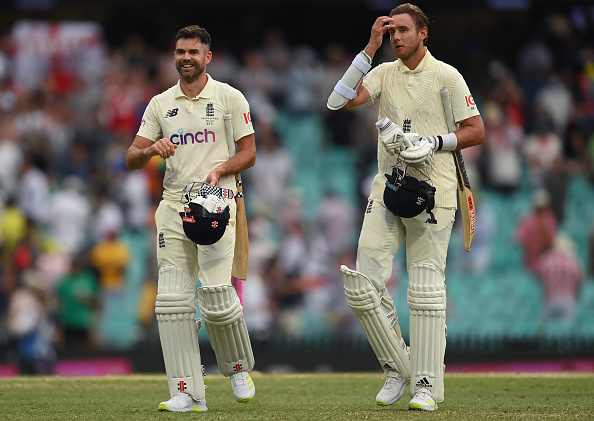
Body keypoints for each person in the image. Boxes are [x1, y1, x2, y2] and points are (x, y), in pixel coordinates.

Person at [327, 3, 484, 411]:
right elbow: (336, 101)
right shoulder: (382, 72)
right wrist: (369, 47)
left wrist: (434, 142)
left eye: (403, 30)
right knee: (364, 285)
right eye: (391, 30)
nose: (396, 37)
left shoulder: (446, 75)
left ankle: (426, 386)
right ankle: (398, 367)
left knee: (426, 291)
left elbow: (476, 130)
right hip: (389, 188)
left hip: (437, 192)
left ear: (423, 33)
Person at [125, 25, 257, 413]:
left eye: (194, 52)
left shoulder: (230, 97)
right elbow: (131, 157)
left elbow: (249, 153)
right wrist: (151, 149)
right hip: (172, 207)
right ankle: (188, 391)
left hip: (217, 203)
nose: (186, 57)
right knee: (171, 304)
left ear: (207, 57)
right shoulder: (160, 104)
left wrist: (219, 170)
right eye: (181, 51)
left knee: (216, 297)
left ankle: (236, 368)